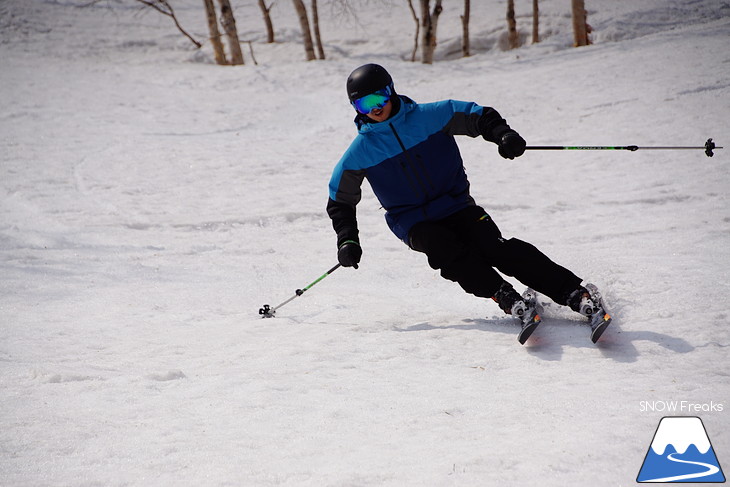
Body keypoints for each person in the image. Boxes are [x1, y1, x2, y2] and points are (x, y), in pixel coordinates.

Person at [326, 63, 600, 332]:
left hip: (456, 204)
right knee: (445, 250)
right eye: (364, 104)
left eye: (379, 97)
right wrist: (347, 239)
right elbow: (340, 201)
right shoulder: (360, 152)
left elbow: (478, 115)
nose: (375, 108)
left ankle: (573, 293)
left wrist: (503, 135)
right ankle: (502, 294)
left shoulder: (430, 116)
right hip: (412, 221)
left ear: (391, 90)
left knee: (494, 247)